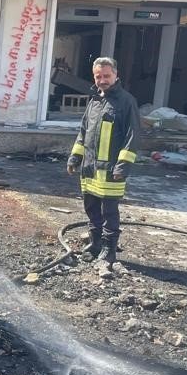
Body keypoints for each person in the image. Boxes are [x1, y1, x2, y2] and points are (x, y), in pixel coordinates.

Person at [66, 57, 140, 280]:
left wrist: (123, 166)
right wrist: (74, 158)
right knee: (91, 208)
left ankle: (109, 250)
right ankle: (95, 244)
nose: (102, 80)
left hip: (110, 170)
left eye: (106, 76)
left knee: (109, 212)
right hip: (89, 168)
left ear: (116, 75)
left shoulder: (126, 102)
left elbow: (133, 136)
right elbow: (83, 132)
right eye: (98, 76)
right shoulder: (94, 102)